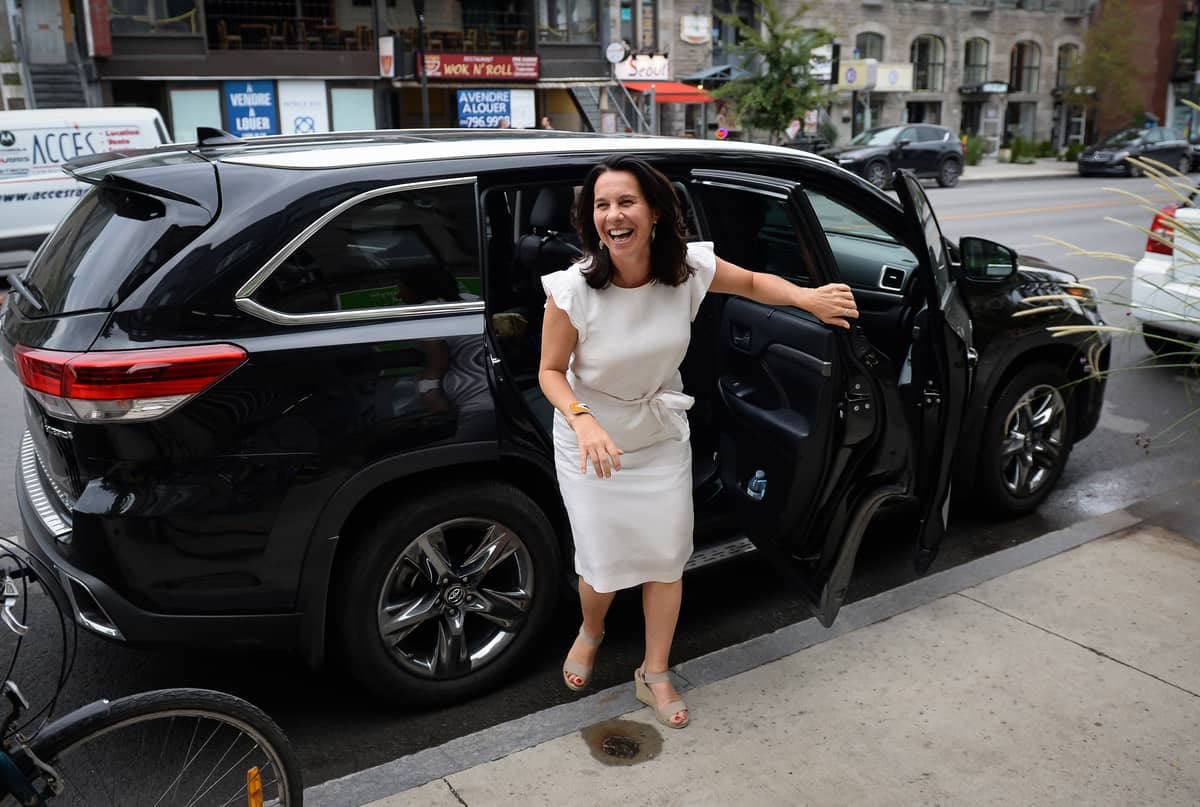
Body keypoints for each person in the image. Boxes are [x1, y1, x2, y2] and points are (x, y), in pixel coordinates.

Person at [538, 154, 858, 729]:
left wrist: (808, 299)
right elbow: (550, 373)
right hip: (592, 441)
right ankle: (592, 630)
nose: (614, 215)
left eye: (626, 201)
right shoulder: (571, 290)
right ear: (592, 219)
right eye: (602, 205)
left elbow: (756, 282)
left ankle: (654, 673)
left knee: (666, 559)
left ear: (655, 211)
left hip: (659, 435)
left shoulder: (686, 268)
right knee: (601, 563)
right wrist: (583, 420)